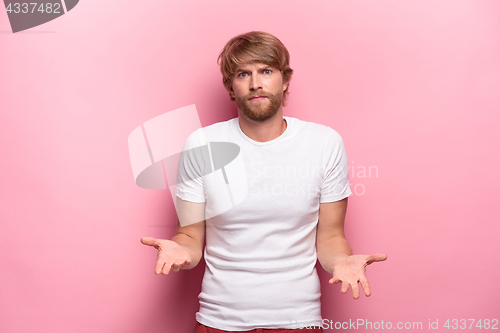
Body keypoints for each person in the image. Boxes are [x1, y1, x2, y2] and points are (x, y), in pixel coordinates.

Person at [141, 31, 387, 333]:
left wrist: (342, 262)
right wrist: (180, 250)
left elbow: (331, 238)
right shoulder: (202, 144)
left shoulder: (324, 143)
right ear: (231, 87)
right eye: (243, 73)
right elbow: (189, 237)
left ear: (285, 80)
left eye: (266, 71)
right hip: (220, 321)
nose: (255, 83)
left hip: (299, 320)